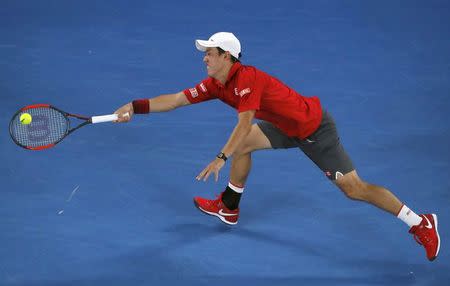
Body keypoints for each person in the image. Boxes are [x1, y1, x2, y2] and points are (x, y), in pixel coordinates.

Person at [113, 32, 440, 261]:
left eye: (209, 54)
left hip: (314, 130)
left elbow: (244, 123)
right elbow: (175, 100)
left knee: (353, 189)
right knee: (244, 147)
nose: (205, 60)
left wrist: (219, 157)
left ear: (227, 57)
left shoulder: (247, 79)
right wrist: (133, 106)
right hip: (285, 126)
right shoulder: (217, 83)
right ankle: (229, 207)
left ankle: (420, 222)